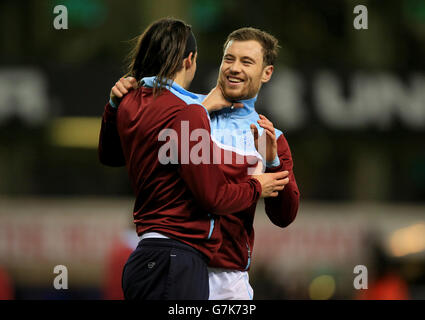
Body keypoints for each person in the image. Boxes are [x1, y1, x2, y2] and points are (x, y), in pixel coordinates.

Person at [98, 18, 289, 300]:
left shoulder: (130, 101)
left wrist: (113, 105)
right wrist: (257, 184)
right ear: (190, 59)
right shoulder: (187, 113)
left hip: (145, 254)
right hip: (178, 257)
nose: (235, 68)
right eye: (229, 59)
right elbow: (213, 197)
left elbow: (110, 155)